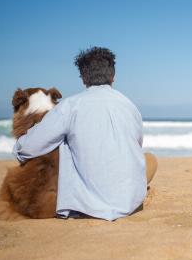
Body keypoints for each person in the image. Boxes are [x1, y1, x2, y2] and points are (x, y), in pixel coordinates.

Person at [13, 47, 157, 221]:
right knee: (150, 159)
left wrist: (18, 146)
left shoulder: (69, 106)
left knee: (59, 138)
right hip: (129, 203)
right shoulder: (130, 106)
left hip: (87, 206)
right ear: (113, 76)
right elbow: (135, 146)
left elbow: (30, 147)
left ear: (83, 79)